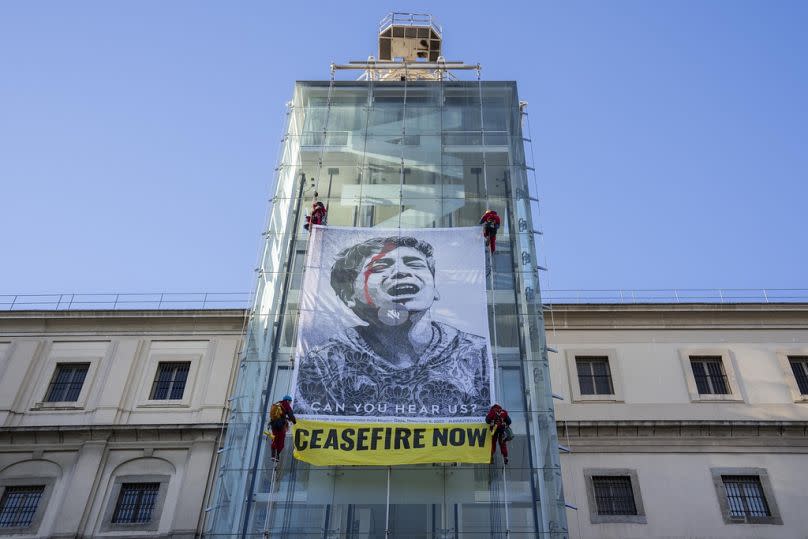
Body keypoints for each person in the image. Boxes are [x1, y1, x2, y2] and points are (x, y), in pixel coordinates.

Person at [295, 235, 491, 418]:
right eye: (380, 267)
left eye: (415, 264)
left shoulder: (477, 353)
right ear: (349, 295)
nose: (401, 272)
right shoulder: (324, 361)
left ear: (435, 289)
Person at [268, 395, 296, 462]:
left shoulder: (277, 404)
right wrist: (295, 422)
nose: (289, 403)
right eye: (290, 402)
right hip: (280, 425)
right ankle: (277, 455)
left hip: (274, 424)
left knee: (275, 439)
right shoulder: (285, 404)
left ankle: (273, 455)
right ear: (287, 400)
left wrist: (286, 418)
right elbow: (290, 415)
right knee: (281, 441)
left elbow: (278, 415)